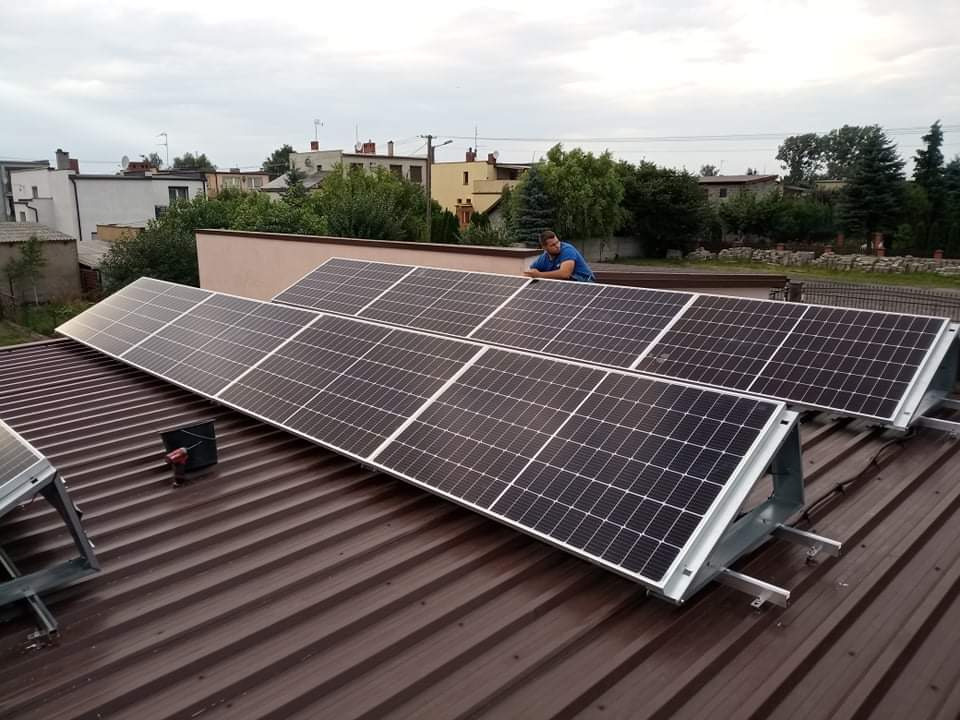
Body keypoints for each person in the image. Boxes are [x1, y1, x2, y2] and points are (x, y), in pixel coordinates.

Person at [524, 230, 596, 282]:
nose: (557, 246)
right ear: (544, 248)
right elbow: (530, 272)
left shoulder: (567, 250)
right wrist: (534, 273)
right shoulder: (544, 258)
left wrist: (539, 275)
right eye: (553, 245)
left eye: (557, 242)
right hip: (568, 285)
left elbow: (565, 274)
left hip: (585, 281)